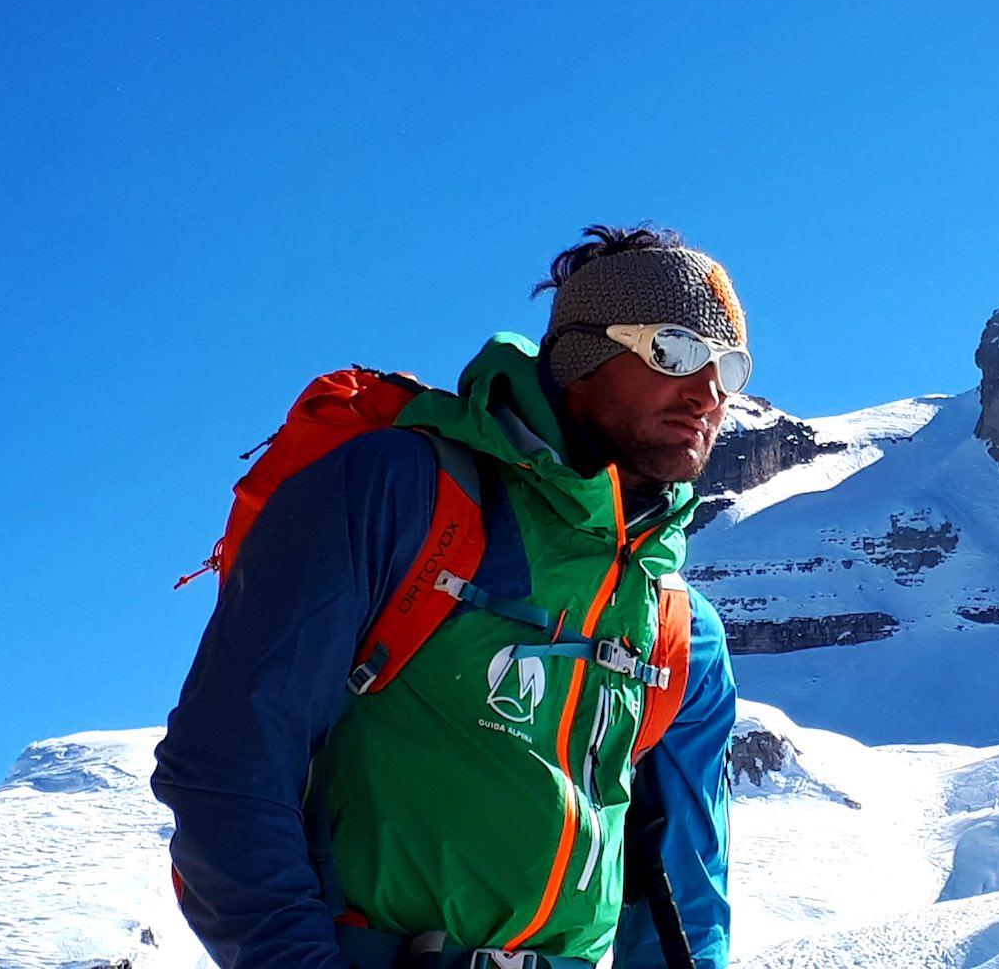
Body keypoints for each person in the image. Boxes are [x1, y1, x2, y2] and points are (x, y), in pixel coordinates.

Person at [153, 225, 746, 969]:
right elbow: (228, 761)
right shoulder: (400, 491)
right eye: (675, 351)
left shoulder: (680, 627)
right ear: (583, 355)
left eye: (731, 367)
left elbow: (683, 893)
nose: (708, 391)